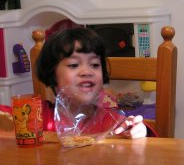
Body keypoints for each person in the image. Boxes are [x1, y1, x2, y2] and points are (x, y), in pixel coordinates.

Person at [1, 27, 153, 138]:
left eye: (94, 64)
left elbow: (145, 145)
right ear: (51, 73)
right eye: (74, 65)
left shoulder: (110, 120)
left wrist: (140, 131)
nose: (87, 71)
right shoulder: (36, 115)